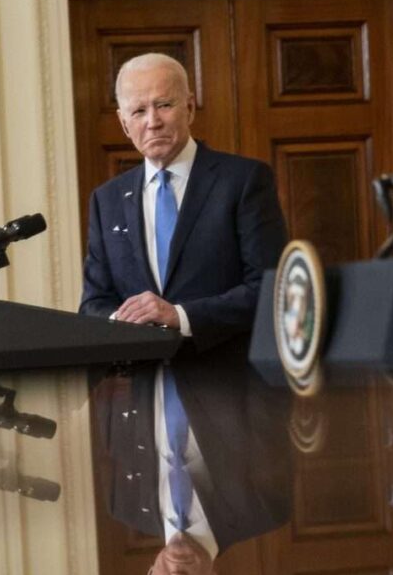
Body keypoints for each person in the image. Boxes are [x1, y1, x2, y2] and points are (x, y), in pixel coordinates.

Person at [80, 53, 288, 351]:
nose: (153, 122)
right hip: (141, 382)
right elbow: (93, 304)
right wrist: (122, 322)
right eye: (138, 111)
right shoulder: (107, 199)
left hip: (227, 379)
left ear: (189, 107)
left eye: (164, 105)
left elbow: (270, 289)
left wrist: (179, 315)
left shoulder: (243, 181)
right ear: (124, 124)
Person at [91, 352, 291, 575]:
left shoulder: (124, 505)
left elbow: (111, 398)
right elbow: (266, 382)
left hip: (138, 332)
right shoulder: (264, 508)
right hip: (211, 329)